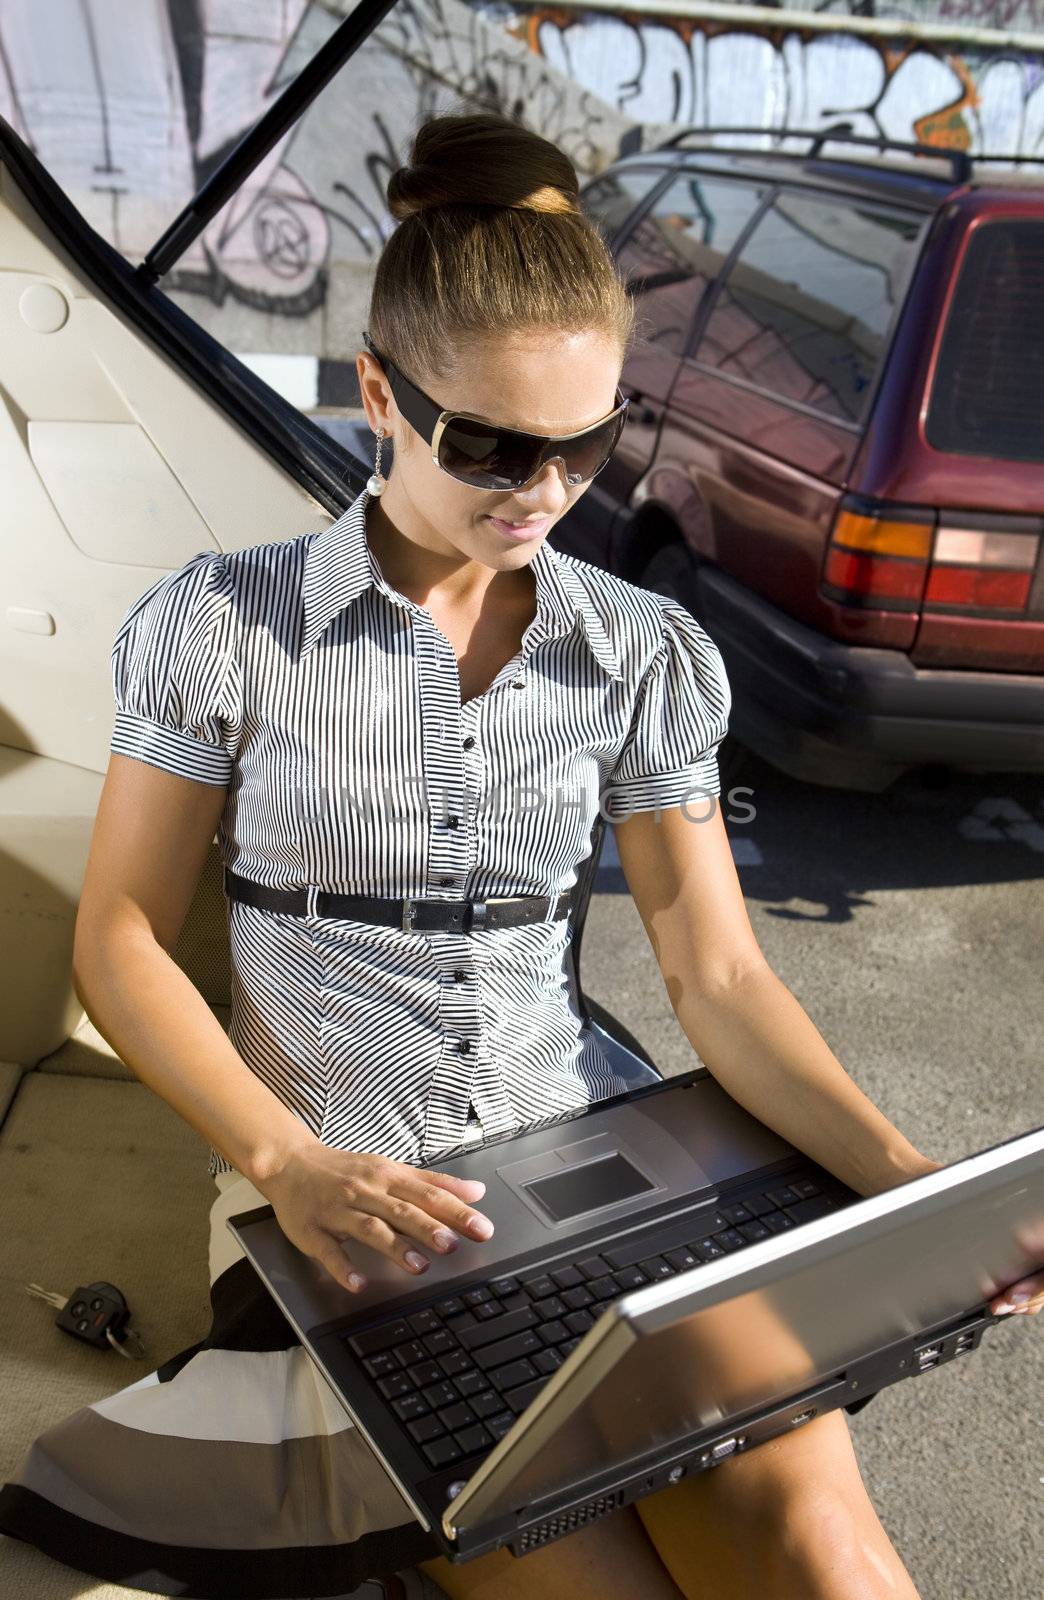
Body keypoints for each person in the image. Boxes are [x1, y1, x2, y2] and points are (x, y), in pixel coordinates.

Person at [1, 107, 1040, 1600]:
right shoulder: (219, 626)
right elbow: (119, 939)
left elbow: (721, 976)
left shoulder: (647, 653)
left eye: (585, 443)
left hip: (606, 1156)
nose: (542, 490)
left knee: (827, 1557)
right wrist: (283, 1158)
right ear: (377, 391)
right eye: (489, 443)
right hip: (338, 1201)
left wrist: (895, 1181)